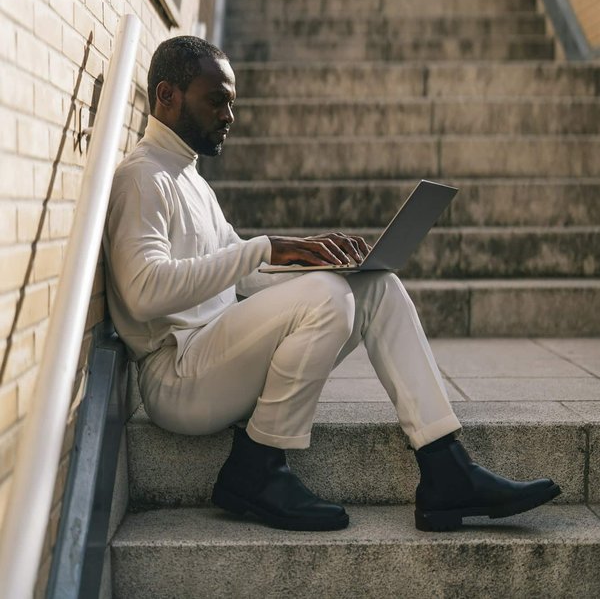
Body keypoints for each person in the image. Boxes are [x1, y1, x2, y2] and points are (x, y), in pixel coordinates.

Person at [103, 35, 561, 532]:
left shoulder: (190, 179)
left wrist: (315, 259)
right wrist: (268, 247)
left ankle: (445, 466)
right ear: (167, 96)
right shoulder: (143, 178)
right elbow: (142, 290)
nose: (229, 116)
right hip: (176, 378)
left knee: (373, 286)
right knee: (327, 300)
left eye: (232, 103)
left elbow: (248, 274)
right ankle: (259, 467)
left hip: (216, 353)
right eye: (217, 100)